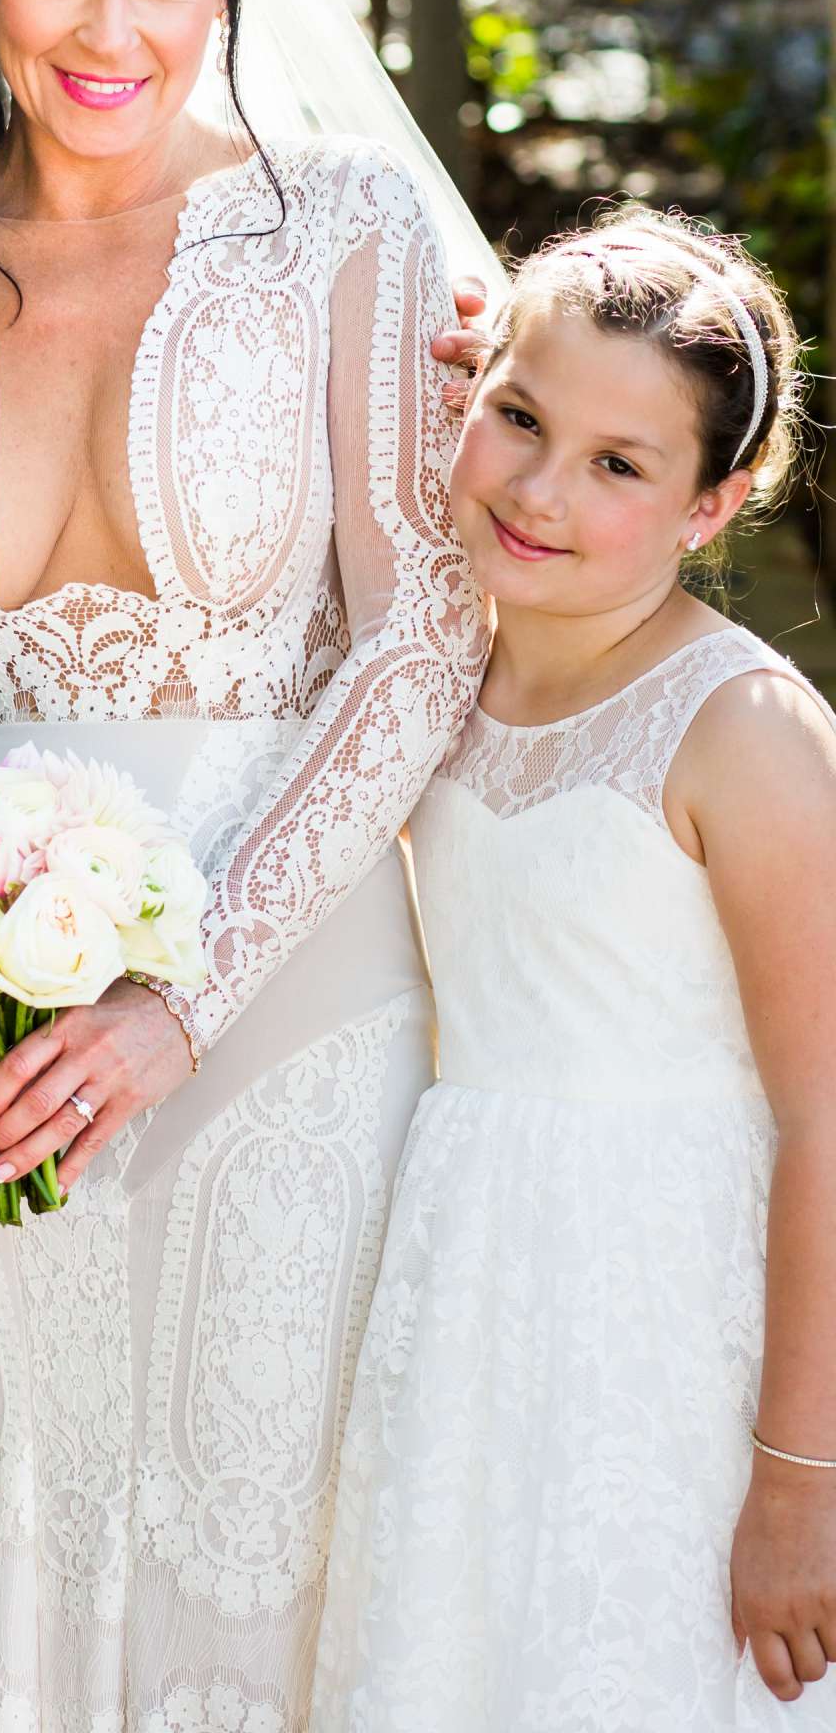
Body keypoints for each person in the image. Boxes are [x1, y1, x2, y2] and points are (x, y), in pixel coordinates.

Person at [0, 0, 494, 1729]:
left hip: (283, 1012)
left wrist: (174, 999)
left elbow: (419, 641)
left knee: (259, 1575)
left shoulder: (348, 238)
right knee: (10, 1562)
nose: (104, 31)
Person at [312, 207, 836, 1730]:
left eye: (621, 465)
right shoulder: (435, 681)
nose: (542, 491)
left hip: (671, 1326)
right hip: (470, 1287)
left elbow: (826, 1116)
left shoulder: (739, 729)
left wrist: (802, 1480)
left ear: (712, 503)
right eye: (519, 421)